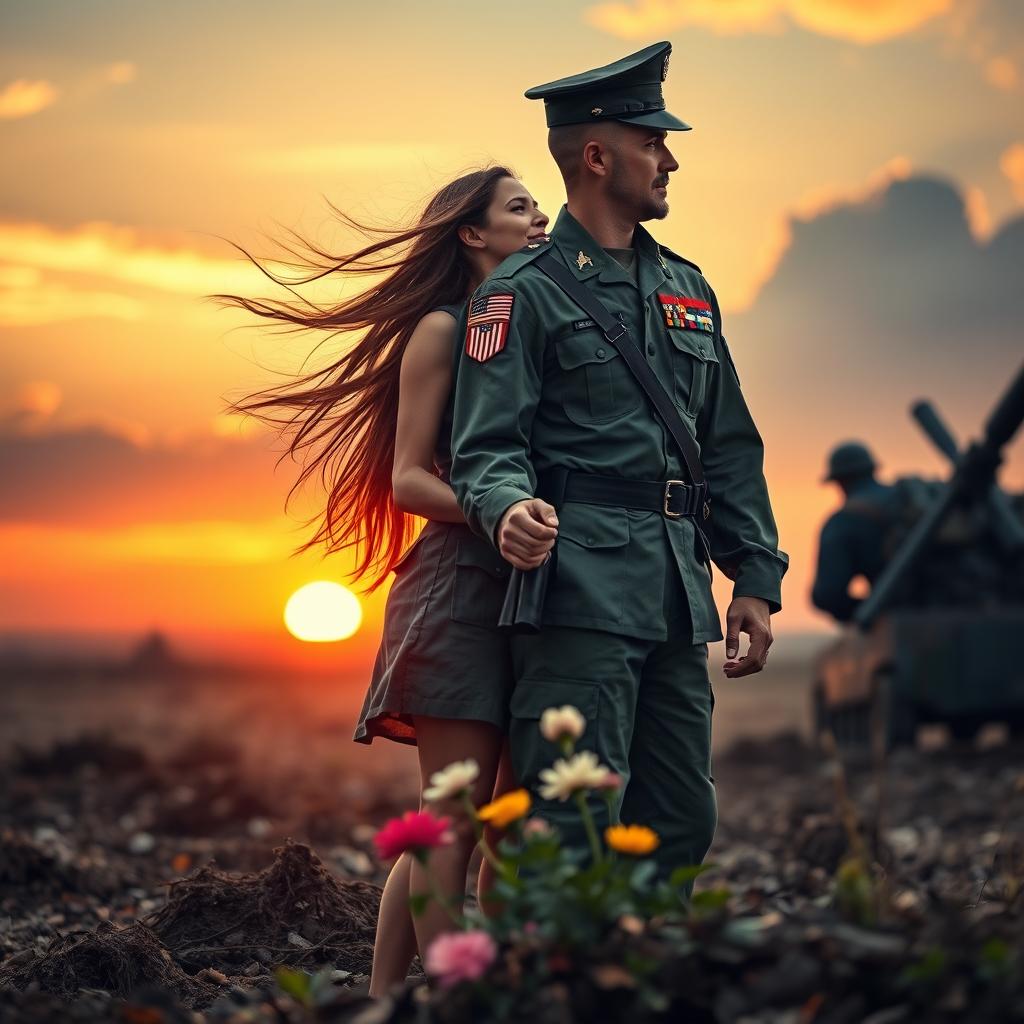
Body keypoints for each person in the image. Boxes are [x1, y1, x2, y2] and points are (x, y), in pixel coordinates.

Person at [449, 42, 788, 884]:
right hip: (580, 595)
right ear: (597, 157)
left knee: (681, 817)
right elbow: (484, 448)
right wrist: (506, 508)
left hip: (678, 595)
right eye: (652, 142)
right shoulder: (520, 292)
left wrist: (752, 577)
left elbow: (730, 446)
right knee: (574, 824)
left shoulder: (689, 289)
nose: (670, 158)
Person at [213, 168, 550, 994]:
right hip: (459, 589)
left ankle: (383, 1003)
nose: (541, 216)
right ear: (471, 235)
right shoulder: (441, 329)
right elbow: (407, 480)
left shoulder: (527, 330)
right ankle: (457, 1001)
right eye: (519, 206)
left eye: (538, 203)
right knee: (452, 825)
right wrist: (499, 513)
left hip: (528, 589)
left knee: (482, 825)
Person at [811, 441, 902, 622]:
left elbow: (828, 595)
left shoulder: (843, 522)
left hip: (901, 626)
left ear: (840, 481)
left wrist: (874, 611)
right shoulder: (911, 502)